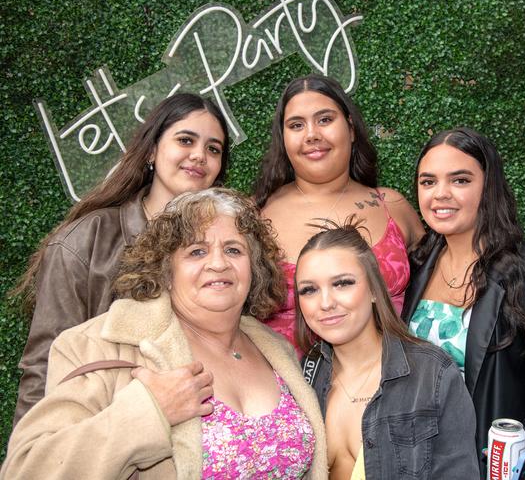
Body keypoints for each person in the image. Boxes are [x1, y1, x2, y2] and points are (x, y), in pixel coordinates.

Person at [1, 188, 327, 480]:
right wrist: (148, 411)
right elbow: (27, 469)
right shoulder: (98, 345)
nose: (218, 263)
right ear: (165, 270)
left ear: (254, 269)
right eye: (196, 251)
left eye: (233, 250)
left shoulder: (275, 350)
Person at [11, 93, 231, 424]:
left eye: (213, 149)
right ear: (153, 150)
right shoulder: (86, 240)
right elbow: (45, 364)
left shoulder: (224, 245)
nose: (199, 155)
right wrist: (32, 459)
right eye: (186, 140)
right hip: (109, 433)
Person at [401, 127, 525, 480]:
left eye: (460, 180)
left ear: (489, 186)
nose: (440, 194)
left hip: (498, 467)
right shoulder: (417, 266)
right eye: (428, 182)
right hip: (431, 461)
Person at [294, 218, 480, 479]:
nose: (325, 303)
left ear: (373, 289)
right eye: (309, 290)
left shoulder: (432, 374)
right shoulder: (300, 378)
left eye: (342, 283)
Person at [253, 74, 424, 349]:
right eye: (296, 125)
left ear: (351, 128)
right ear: (283, 139)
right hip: (286, 386)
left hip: (392, 383)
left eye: (325, 120)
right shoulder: (254, 216)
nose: (312, 135)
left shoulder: (390, 206)